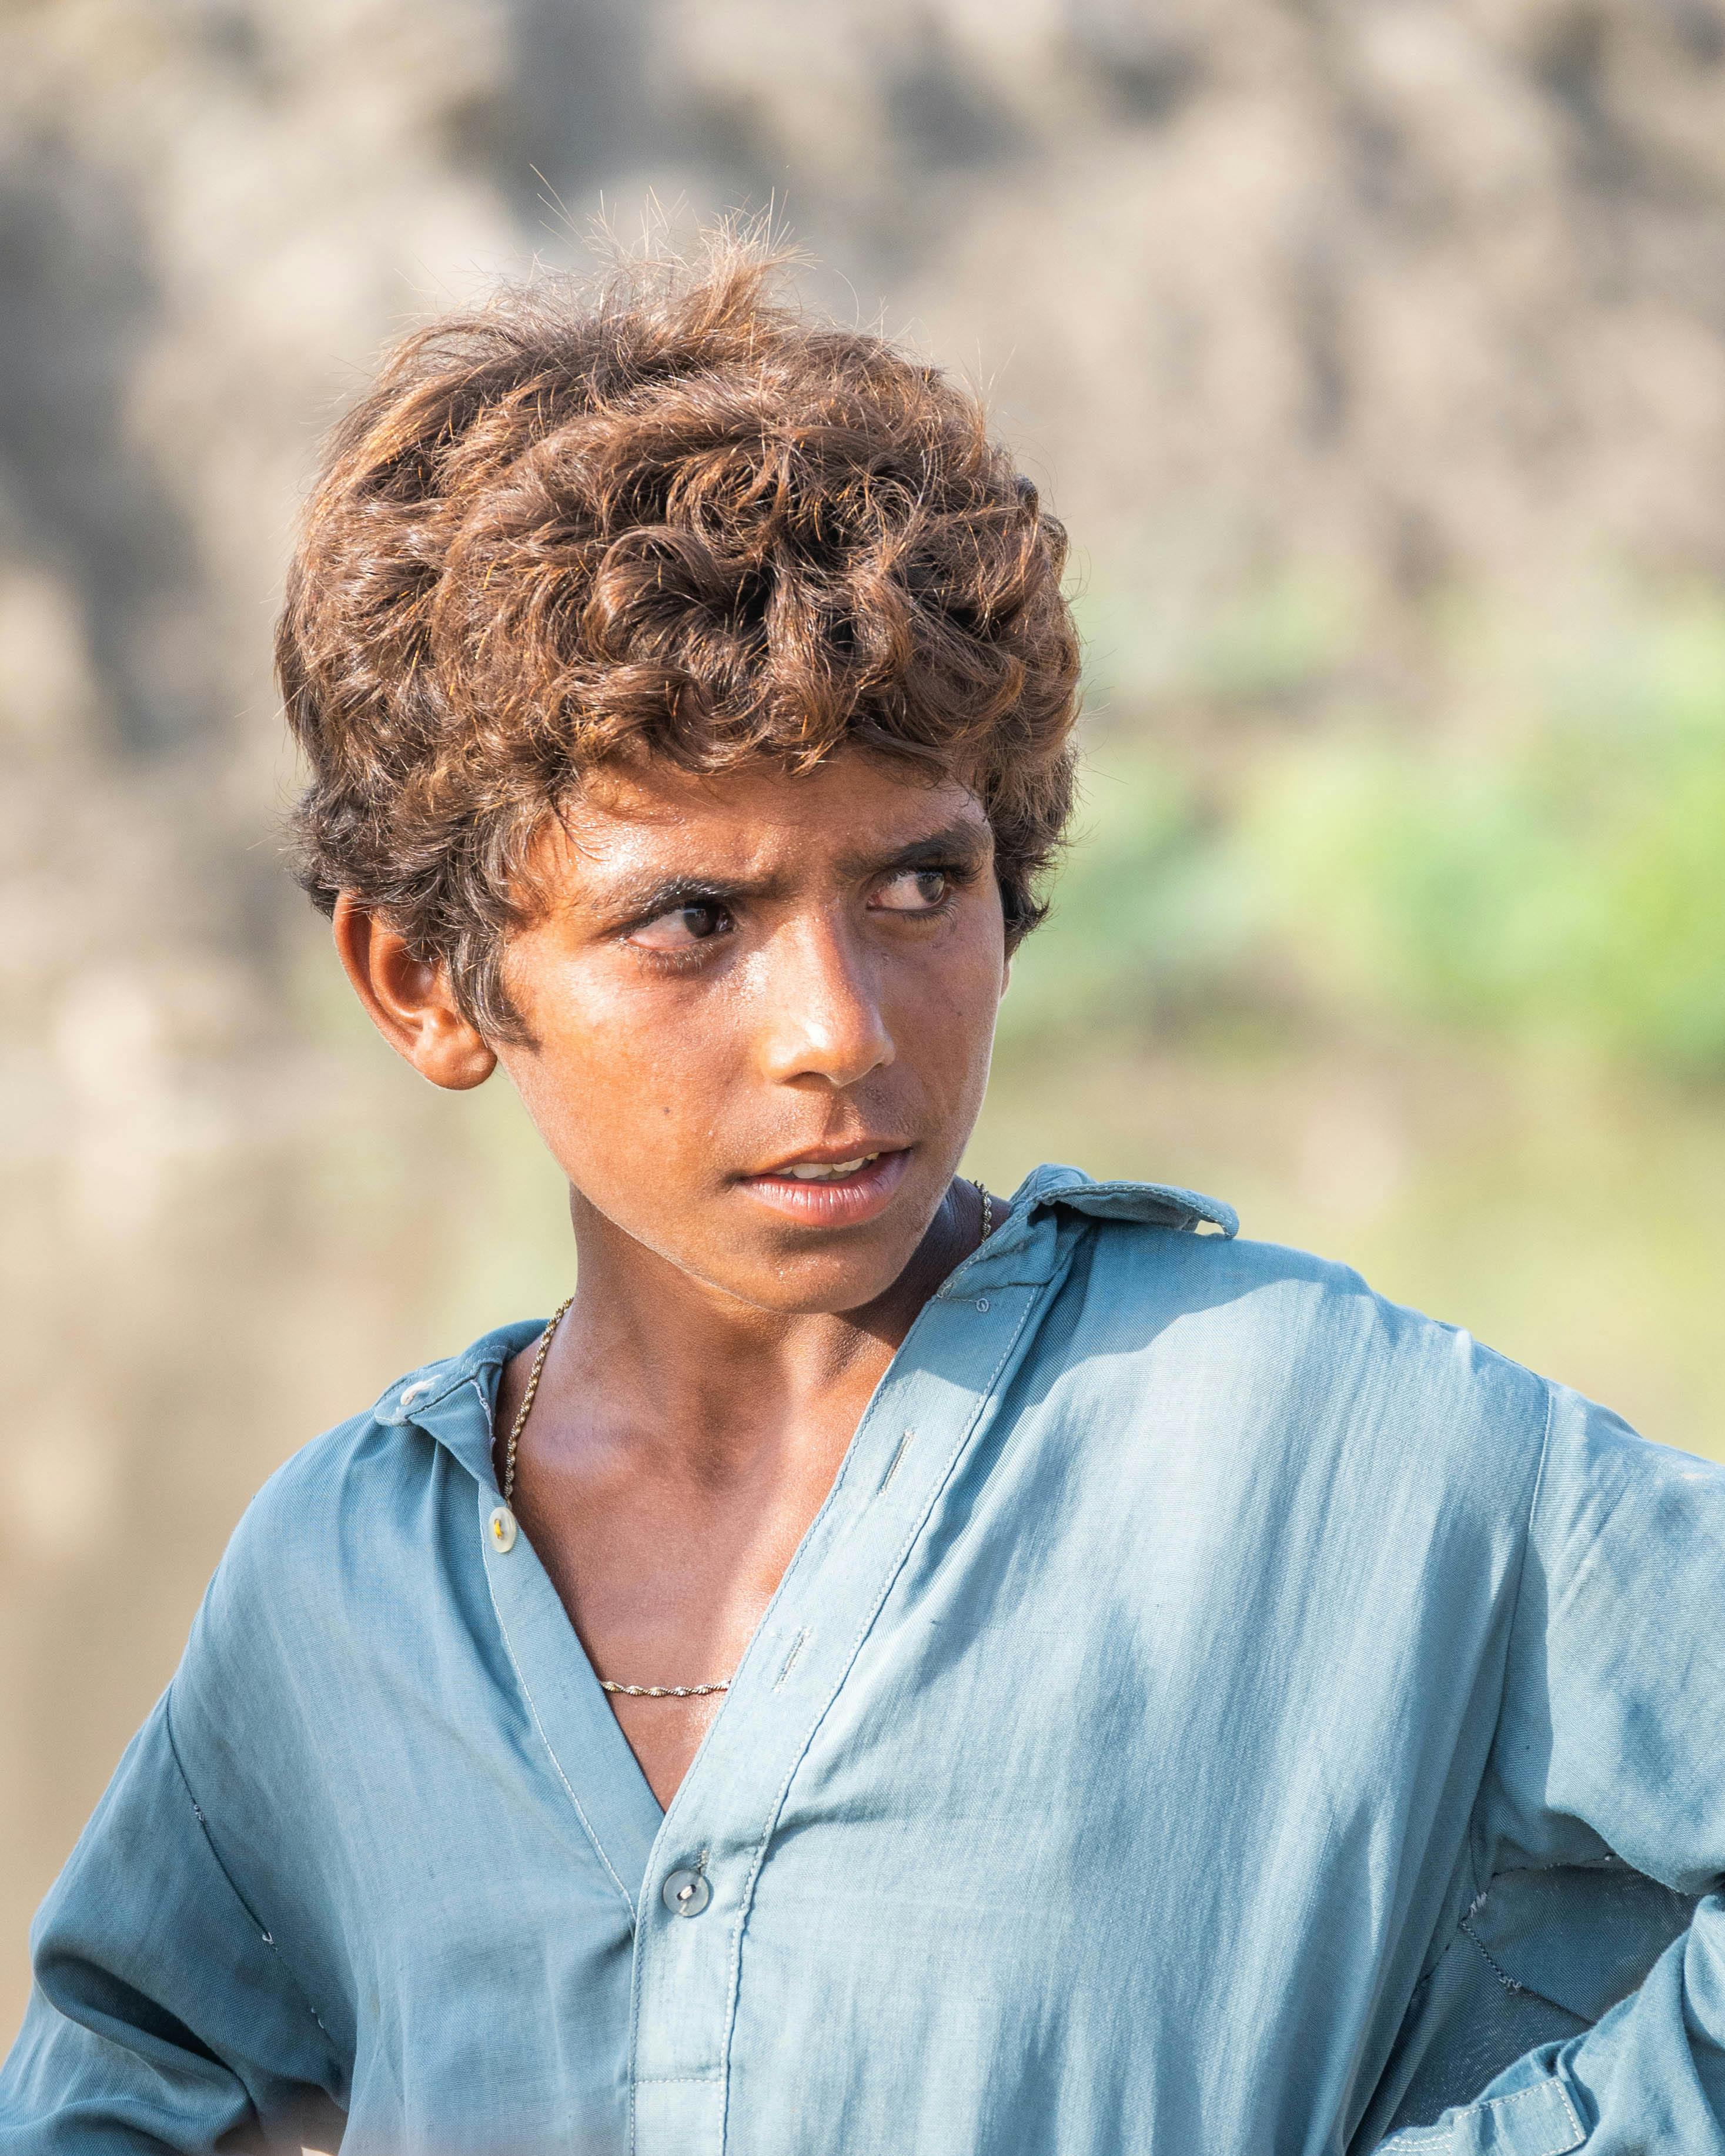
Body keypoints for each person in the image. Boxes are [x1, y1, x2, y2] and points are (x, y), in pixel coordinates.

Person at [4, 233, 1723, 2156]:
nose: (838, 1026)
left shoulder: (1329, 1442)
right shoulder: (344, 1589)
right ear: (429, 981)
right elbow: (115, 2079)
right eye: (693, 919)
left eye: (920, 882)